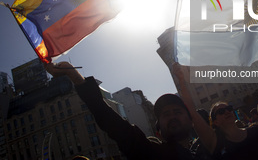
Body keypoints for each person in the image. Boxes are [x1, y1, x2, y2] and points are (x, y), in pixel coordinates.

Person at [45, 62, 205, 160]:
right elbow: (112, 123)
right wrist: (73, 75)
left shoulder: (212, 147)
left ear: (192, 121)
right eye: (165, 114)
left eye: (177, 111)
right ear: (158, 131)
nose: (172, 117)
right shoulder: (151, 153)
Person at [172, 63, 258, 160]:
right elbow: (192, 111)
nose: (226, 112)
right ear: (215, 121)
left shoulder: (255, 131)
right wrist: (181, 81)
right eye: (221, 111)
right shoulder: (214, 142)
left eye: (229, 108)